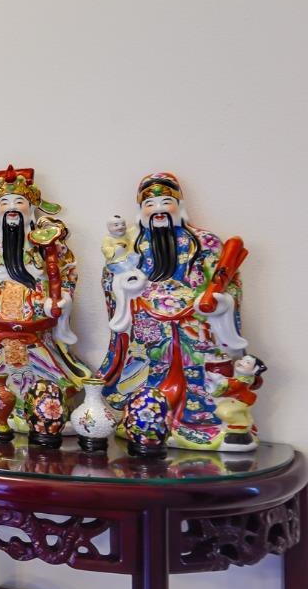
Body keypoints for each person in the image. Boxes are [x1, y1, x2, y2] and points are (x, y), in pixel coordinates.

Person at [100, 172, 256, 451]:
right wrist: (124, 284)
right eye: (150, 204)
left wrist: (219, 301)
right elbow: (114, 275)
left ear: (179, 205)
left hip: (194, 319)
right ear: (141, 211)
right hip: (147, 319)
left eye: (165, 202)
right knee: (146, 369)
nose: (158, 209)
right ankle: (146, 417)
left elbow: (228, 283)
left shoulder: (205, 242)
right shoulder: (134, 243)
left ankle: (200, 420)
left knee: (204, 368)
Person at [0, 166, 90, 416]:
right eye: (5, 201)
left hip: (36, 341)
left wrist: (62, 300)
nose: (12, 207)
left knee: (46, 395)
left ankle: (42, 413)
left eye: (19, 201)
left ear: (31, 207)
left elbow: (67, 276)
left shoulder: (47, 248)